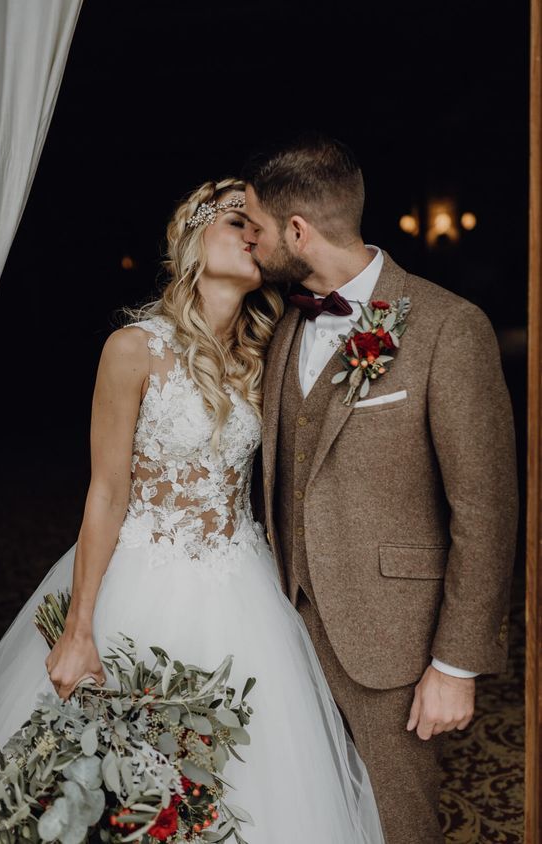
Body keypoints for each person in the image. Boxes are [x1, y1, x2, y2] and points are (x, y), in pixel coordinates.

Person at [0, 177, 386, 842]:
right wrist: (79, 629)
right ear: (195, 237)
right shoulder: (133, 348)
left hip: (243, 586)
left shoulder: (270, 350)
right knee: (115, 788)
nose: (254, 235)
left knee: (252, 782)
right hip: (139, 580)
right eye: (237, 221)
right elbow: (106, 492)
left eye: (260, 226)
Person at [241, 134, 520, 844]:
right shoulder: (282, 328)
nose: (251, 242)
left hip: (391, 641)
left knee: (399, 825)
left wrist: (454, 665)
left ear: (297, 232)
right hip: (282, 628)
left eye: (256, 227)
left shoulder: (446, 327)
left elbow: (485, 509)